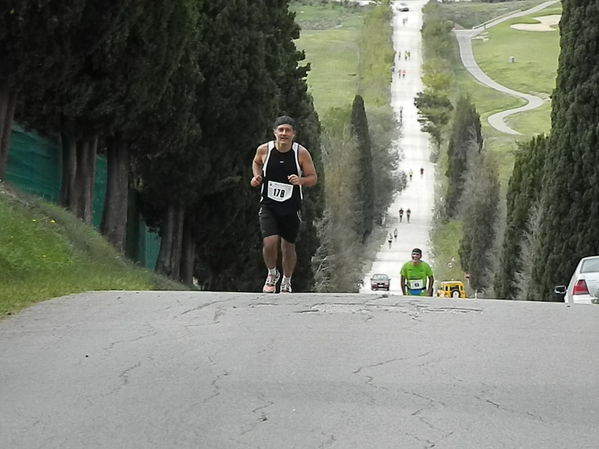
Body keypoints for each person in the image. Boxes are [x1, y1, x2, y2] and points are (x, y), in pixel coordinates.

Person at [250, 116, 318, 293]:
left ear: (293, 134)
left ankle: (287, 280)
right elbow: (256, 162)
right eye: (280, 130)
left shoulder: (300, 153)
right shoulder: (264, 150)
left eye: (288, 130)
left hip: (291, 206)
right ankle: (272, 274)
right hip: (268, 204)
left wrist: (300, 180)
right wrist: (256, 176)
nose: (284, 134)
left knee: (288, 246)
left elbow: (313, 178)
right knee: (270, 242)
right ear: (274, 133)